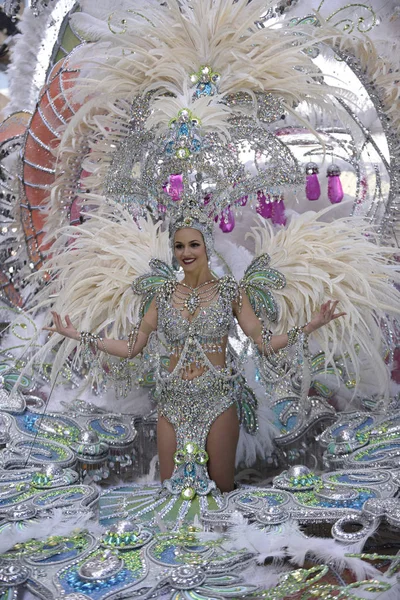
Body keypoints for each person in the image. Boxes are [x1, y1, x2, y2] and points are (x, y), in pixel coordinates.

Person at [45, 224, 344, 495]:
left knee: (220, 493)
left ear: (207, 246)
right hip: (172, 403)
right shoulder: (162, 295)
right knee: (172, 493)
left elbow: (263, 343)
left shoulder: (230, 292)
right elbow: (131, 347)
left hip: (217, 401)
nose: (186, 252)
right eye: (179, 246)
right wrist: (79, 335)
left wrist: (310, 326)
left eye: (193, 245)